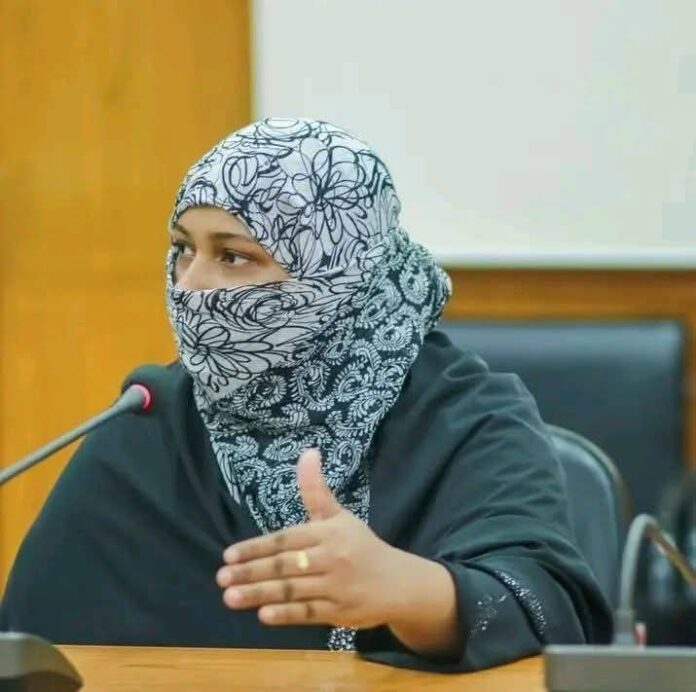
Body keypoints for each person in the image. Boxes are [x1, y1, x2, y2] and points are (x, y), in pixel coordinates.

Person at [0, 118, 611, 671]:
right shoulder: (151, 419)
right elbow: (28, 649)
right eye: (183, 248)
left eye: (233, 256)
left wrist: (408, 589)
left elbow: (547, 608)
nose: (191, 285)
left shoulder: (464, 416)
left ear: (342, 274)